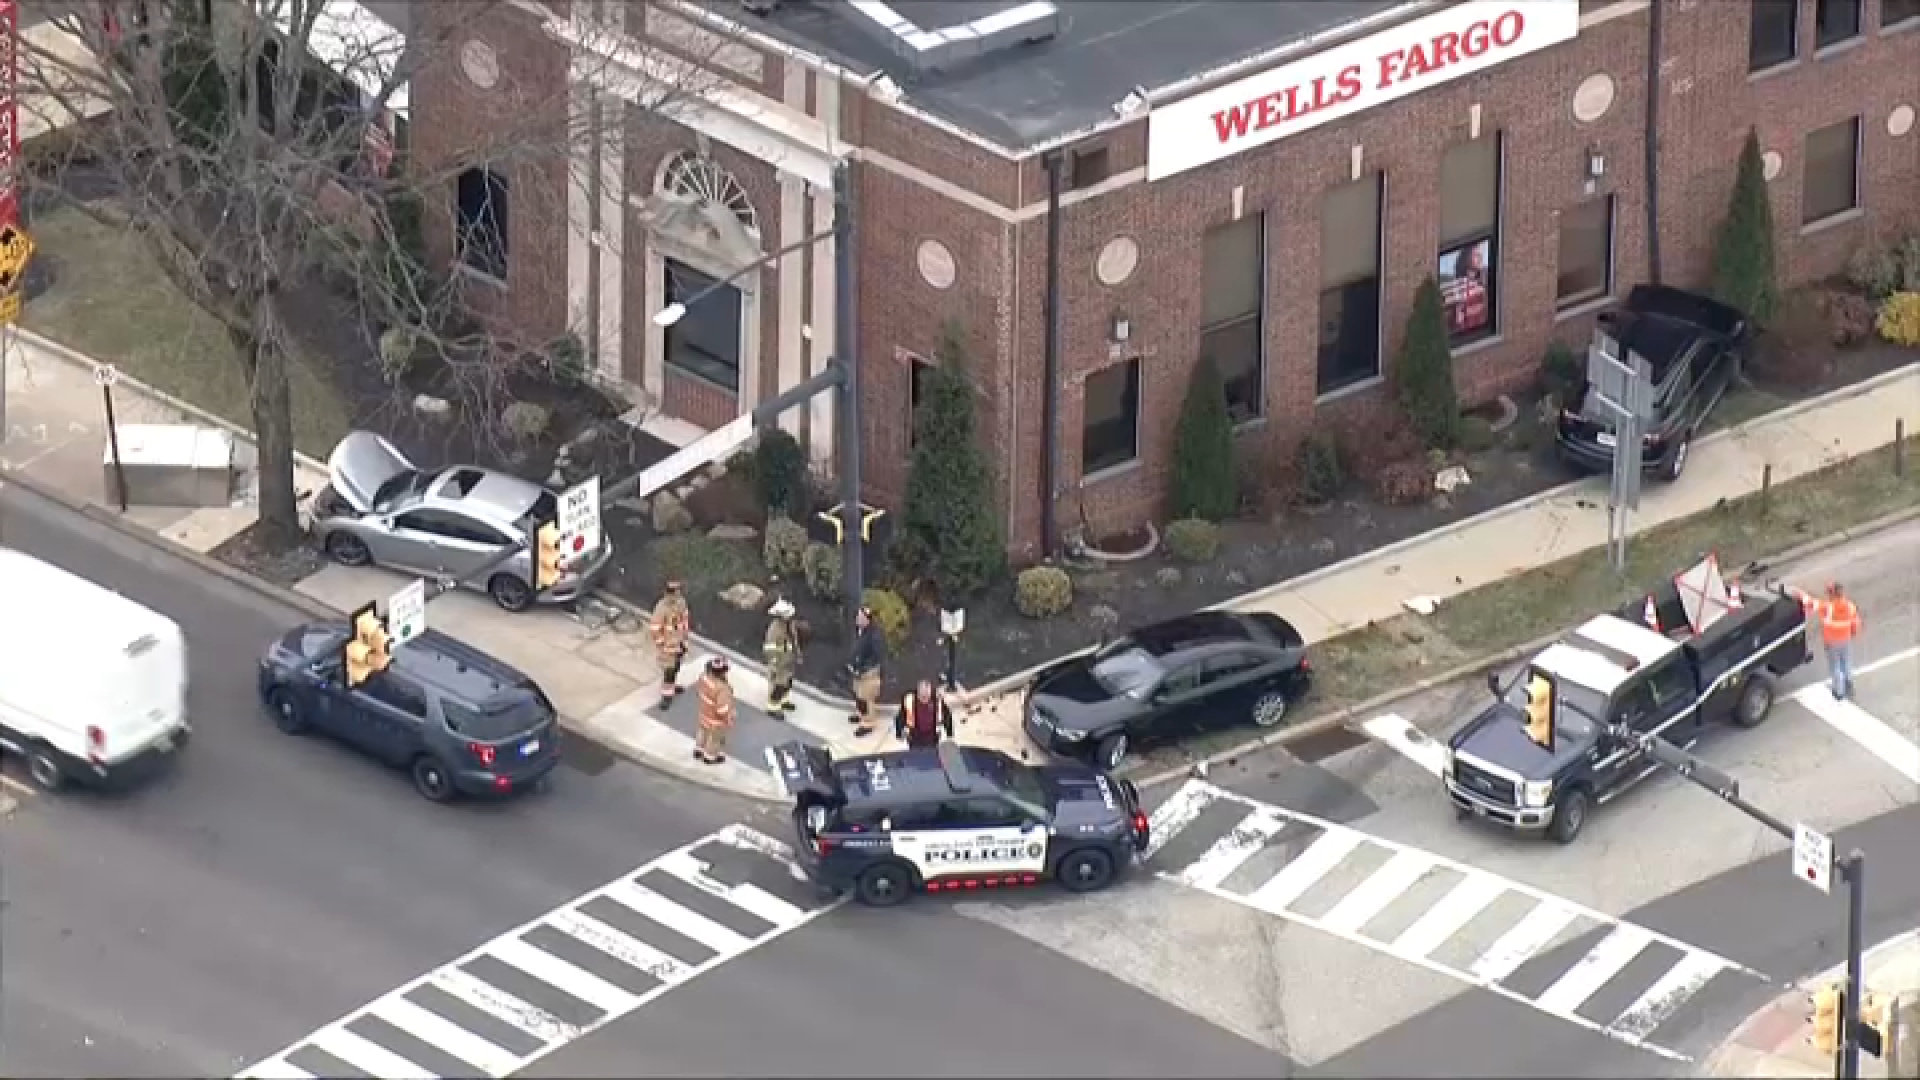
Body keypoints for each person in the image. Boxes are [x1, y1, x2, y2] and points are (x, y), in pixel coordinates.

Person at [1793, 581, 1863, 700]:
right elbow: (1856, 623)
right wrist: (1853, 634)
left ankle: (1839, 692)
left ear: (1832, 594)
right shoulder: (1850, 606)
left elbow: (1810, 602)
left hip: (1832, 642)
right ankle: (1848, 685)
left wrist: (1799, 593)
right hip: (1845, 640)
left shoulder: (1828, 607)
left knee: (1835, 667)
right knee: (1846, 662)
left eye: (1829, 592)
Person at [846, 605, 886, 737]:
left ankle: (868, 724)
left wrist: (862, 669)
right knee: (858, 694)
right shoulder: (860, 630)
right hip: (858, 670)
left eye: (861, 617)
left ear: (868, 620)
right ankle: (861, 715)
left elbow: (876, 656)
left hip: (868, 672)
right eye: (857, 616)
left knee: (866, 698)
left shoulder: (874, 636)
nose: (857, 619)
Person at [651, 581, 691, 704]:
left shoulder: (681, 602)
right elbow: (655, 628)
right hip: (668, 646)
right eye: (673, 593)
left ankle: (672, 686)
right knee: (669, 670)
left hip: (679, 642)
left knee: (676, 667)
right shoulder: (661, 608)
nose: (676, 596)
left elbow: (685, 618)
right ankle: (666, 696)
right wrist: (662, 644)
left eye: (677, 593)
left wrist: (685, 637)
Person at [695, 656, 735, 765]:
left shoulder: (703, 677)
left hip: (704, 713)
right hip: (716, 721)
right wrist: (729, 717)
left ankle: (698, 750)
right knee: (714, 739)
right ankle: (709, 757)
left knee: (702, 731)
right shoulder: (722, 689)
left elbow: (699, 691)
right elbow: (722, 710)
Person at [763, 598, 800, 713]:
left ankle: (783, 701)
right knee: (779, 686)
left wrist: (797, 653)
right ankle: (773, 708)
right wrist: (774, 664)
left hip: (788, 660)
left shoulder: (789, 624)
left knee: (787, 683)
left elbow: (793, 639)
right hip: (779, 663)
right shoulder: (774, 630)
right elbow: (769, 648)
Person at [895, 678, 954, 750]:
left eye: (927, 696)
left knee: (931, 753)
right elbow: (900, 717)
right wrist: (899, 733)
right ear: (918, 692)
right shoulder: (909, 700)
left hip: (932, 735)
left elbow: (947, 716)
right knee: (915, 753)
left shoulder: (937, 700)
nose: (925, 699)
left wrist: (949, 733)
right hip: (914, 736)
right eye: (922, 696)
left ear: (930, 692)